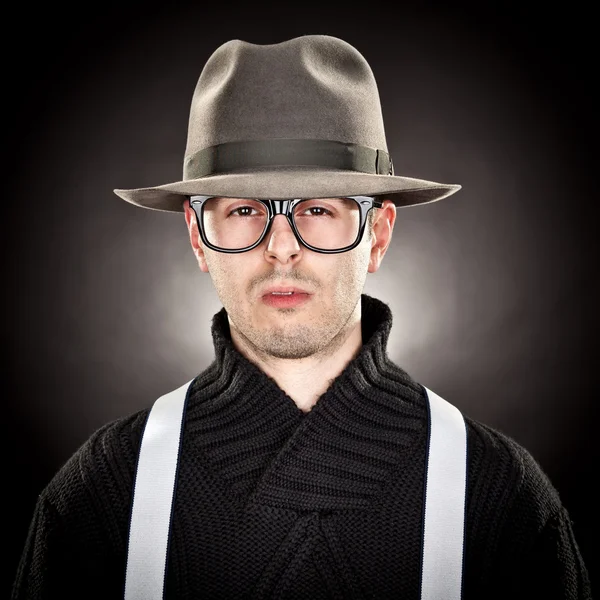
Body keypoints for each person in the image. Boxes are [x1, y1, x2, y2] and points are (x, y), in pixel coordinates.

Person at [12, 34, 591, 600]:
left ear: (378, 234)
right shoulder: (104, 492)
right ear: (196, 236)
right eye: (244, 210)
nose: (282, 247)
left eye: (317, 209)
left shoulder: (498, 494)